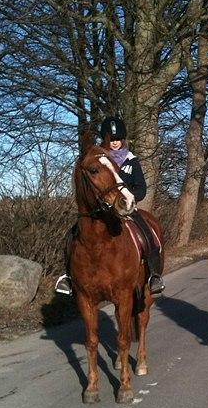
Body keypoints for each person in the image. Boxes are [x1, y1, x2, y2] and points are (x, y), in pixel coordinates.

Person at [55, 116, 165, 297]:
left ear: (123, 140)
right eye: (112, 139)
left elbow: (141, 188)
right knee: (72, 236)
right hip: (101, 209)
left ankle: (153, 275)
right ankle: (69, 277)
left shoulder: (131, 160)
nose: (115, 143)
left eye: (118, 139)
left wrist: (128, 198)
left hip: (126, 207)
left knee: (148, 234)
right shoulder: (99, 158)